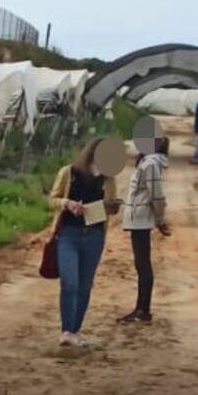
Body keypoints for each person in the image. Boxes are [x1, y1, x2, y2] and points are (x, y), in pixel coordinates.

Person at [47, 138, 122, 346]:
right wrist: (67, 203)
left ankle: (74, 329)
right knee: (69, 281)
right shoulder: (68, 173)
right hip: (68, 233)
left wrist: (110, 206)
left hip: (94, 234)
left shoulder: (108, 179)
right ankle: (66, 329)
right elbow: (51, 199)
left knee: (84, 284)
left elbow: (111, 206)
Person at [119, 135, 171, 324]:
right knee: (141, 264)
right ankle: (141, 308)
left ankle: (143, 309)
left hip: (141, 219)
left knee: (143, 264)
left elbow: (156, 195)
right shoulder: (149, 163)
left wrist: (160, 220)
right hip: (139, 218)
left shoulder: (149, 164)